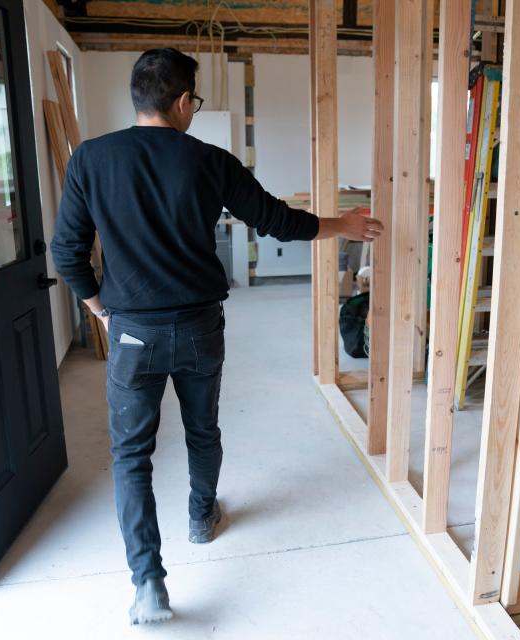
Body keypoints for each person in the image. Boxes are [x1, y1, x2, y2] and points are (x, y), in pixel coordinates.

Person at [50, 48, 382, 625]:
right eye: (194, 102)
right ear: (182, 101)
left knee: (132, 455)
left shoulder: (91, 159)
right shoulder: (209, 160)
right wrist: (344, 225)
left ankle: (148, 580)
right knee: (203, 430)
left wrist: (103, 312)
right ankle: (203, 517)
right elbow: (277, 220)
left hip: (131, 333)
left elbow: (67, 254)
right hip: (200, 327)